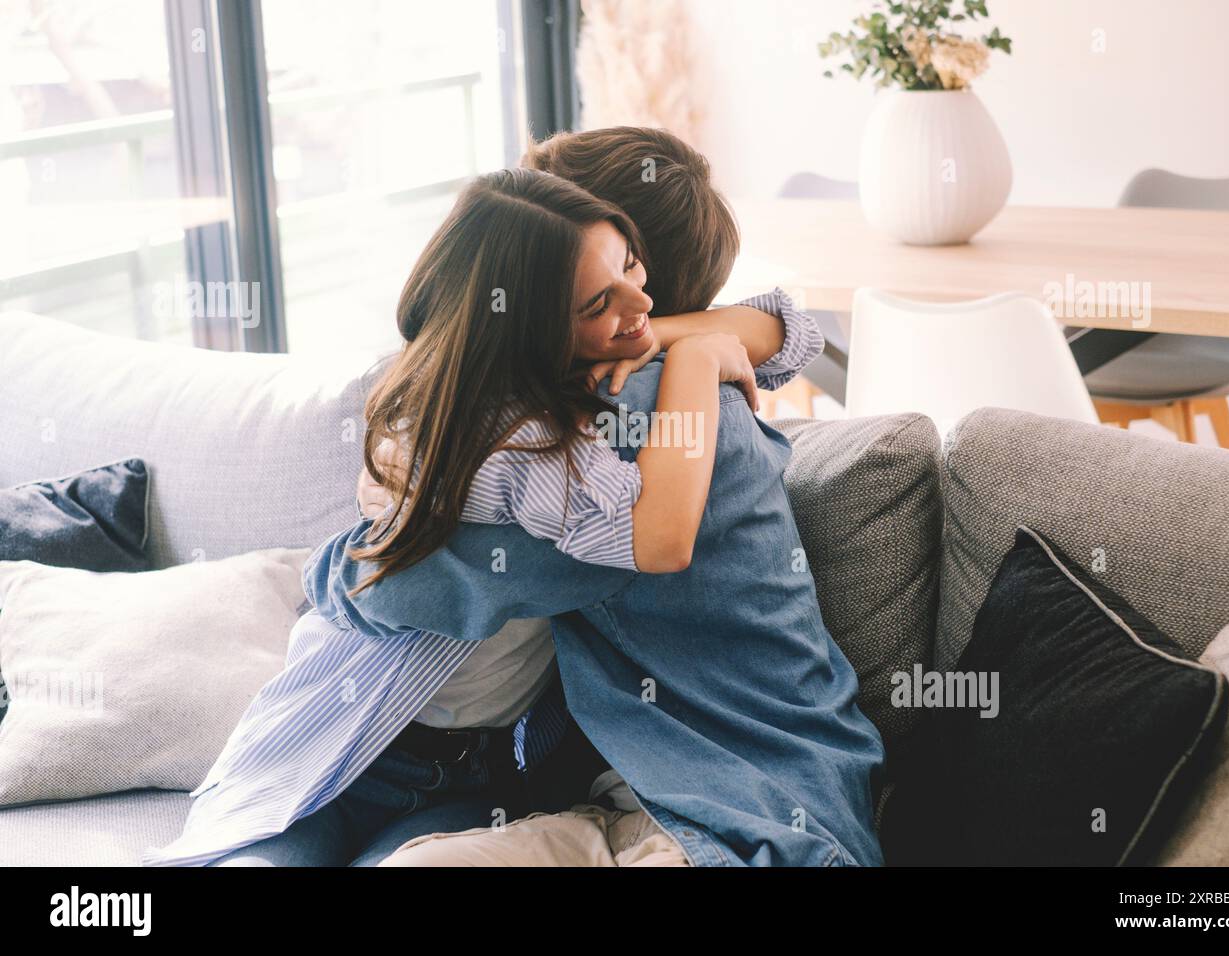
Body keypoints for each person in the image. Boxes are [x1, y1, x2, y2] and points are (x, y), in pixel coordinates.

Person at [143, 163, 825, 866]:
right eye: (598, 298)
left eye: (629, 266)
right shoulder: (517, 435)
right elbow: (381, 584)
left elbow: (789, 328)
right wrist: (694, 354)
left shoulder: (609, 417)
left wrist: (675, 341)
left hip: (478, 770)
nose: (638, 301)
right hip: (345, 739)